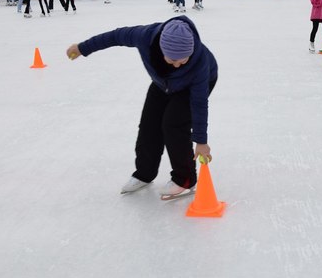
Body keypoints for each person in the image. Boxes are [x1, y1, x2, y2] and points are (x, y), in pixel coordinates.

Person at [65, 16, 219, 198]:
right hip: (164, 83)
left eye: (183, 60)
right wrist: (83, 48)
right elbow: (114, 36)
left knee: (174, 124)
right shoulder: (143, 36)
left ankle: (185, 179)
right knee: (149, 124)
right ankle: (145, 173)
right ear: (162, 49)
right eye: (172, 60)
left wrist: (201, 141)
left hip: (193, 85)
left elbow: (199, 104)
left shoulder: (200, 61)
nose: (178, 64)